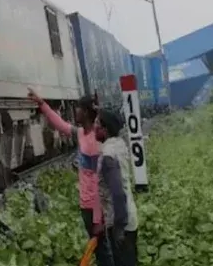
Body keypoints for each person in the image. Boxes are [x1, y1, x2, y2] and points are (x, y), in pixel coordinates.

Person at [28, 88, 113, 266]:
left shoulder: (94, 142)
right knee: (99, 249)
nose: (75, 112)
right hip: (86, 204)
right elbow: (60, 124)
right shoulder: (82, 134)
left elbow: (100, 182)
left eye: (78, 108)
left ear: (86, 112)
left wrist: (98, 217)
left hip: (94, 207)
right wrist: (42, 104)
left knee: (103, 250)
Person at [95, 109, 139, 266]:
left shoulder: (108, 155)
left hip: (121, 223)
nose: (94, 127)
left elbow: (118, 193)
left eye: (97, 124)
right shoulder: (119, 144)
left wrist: (118, 227)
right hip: (129, 217)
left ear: (104, 130)